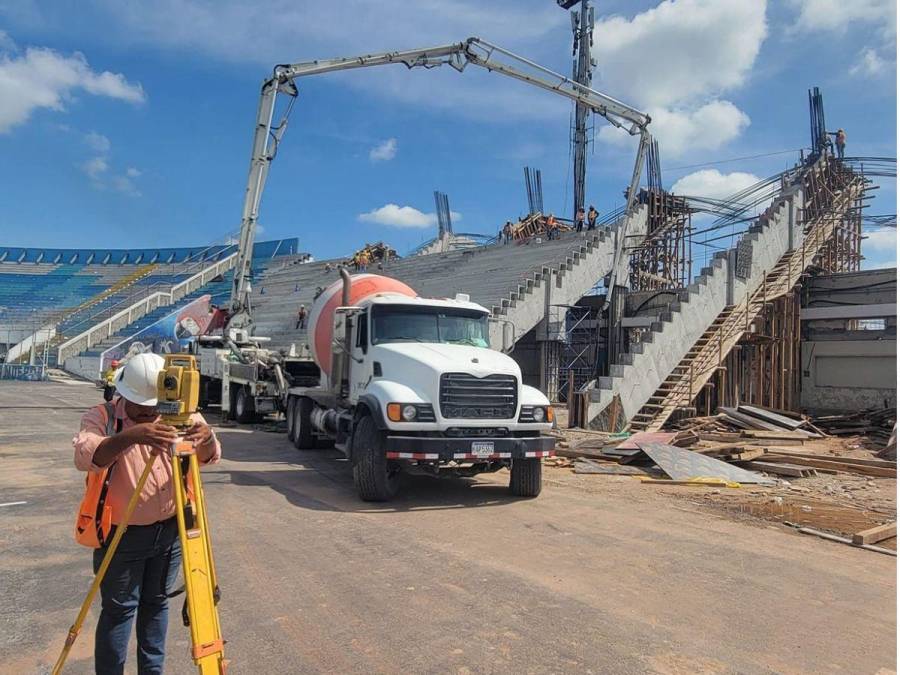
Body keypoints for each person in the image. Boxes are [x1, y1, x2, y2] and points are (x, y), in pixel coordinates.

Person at [73, 353, 221, 675]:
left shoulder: (182, 414)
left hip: (171, 532)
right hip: (122, 537)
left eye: (155, 405)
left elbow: (210, 456)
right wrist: (130, 437)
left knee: (156, 605)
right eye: (142, 406)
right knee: (119, 612)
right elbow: (87, 456)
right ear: (123, 393)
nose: (151, 413)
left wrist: (205, 439)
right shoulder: (103, 417)